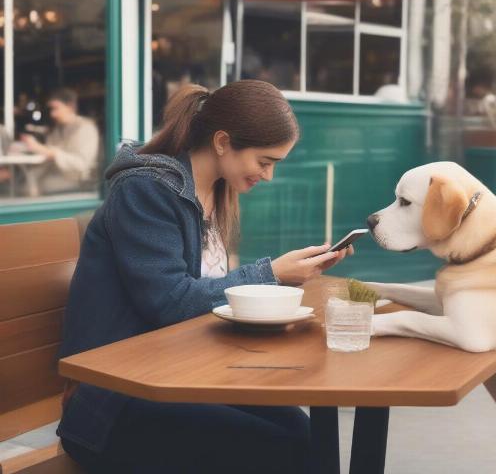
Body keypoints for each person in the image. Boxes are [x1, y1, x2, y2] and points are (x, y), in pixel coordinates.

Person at [57, 80, 353, 473]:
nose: (268, 177)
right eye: (264, 162)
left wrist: (283, 280)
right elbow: (170, 302)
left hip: (181, 375)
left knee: (304, 435)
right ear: (222, 142)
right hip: (114, 400)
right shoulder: (146, 190)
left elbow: (207, 296)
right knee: (277, 449)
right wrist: (271, 274)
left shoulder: (216, 192)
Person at [20, 88, 99, 195]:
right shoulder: (58, 129)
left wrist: (50, 152)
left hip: (78, 182)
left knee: (37, 185)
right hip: (56, 176)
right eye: (51, 110)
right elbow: (48, 153)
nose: (53, 114)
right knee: (25, 181)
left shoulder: (86, 128)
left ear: (70, 107)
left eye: (56, 109)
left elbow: (82, 164)